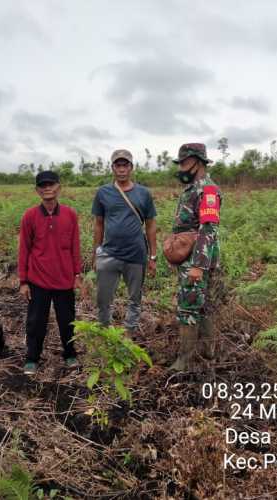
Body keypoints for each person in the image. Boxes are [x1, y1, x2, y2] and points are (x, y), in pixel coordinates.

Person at [18, 171, 82, 375]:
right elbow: (24, 249)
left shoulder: (70, 214)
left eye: (51, 184)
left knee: (67, 321)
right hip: (38, 280)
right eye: (42, 185)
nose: (47, 188)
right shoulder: (30, 216)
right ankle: (32, 358)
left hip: (64, 280)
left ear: (58, 187)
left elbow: (75, 246)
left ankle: (70, 354)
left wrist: (77, 275)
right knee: (36, 321)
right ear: (37, 190)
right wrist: (23, 281)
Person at [169, 143, 222, 371]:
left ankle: (186, 361)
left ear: (198, 162)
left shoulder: (207, 190)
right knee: (204, 306)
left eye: (184, 162)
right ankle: (207, 356)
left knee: (189, 307)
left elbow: (208, 228)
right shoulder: (192, 188)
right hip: (190, 257)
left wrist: (198, 266)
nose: (181, 167)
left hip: (197, 259)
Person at [91, 149, 157, 333]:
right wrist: (96, 253)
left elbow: (151, 226)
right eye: (117, 165)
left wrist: (153, 256)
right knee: (103, 299)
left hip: (136, 254)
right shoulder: (103, 192)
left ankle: (129, 335)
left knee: (134, 299)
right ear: (112, 168)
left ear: (131, 167)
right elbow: (98, 224)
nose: (121, 169)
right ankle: (105, 333)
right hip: (108, 254)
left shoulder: (144, 193)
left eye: (125, 165)